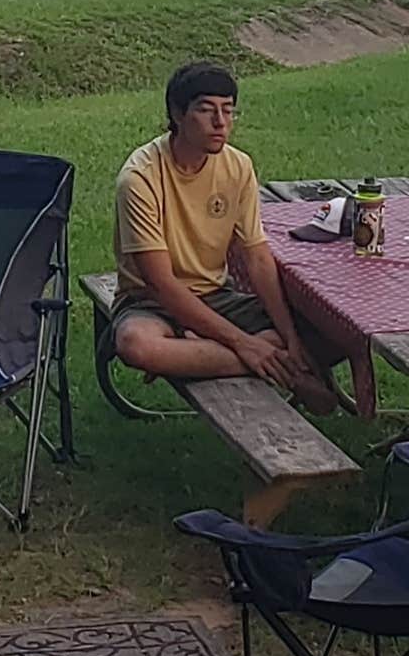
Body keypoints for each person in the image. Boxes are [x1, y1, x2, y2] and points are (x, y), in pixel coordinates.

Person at [108, 61, 331, 409]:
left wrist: (289, 336)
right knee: (136, 345)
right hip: (151, 301)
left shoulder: (237, 165)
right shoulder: (140, 178)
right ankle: (279, 368)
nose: (221, 123)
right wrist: (245, 343)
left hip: (215, 293)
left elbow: (257, 256)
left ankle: (205, 354)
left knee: (322, 328)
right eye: (206, 110)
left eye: (229, 111)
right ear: (177, 114)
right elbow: (161, 284)